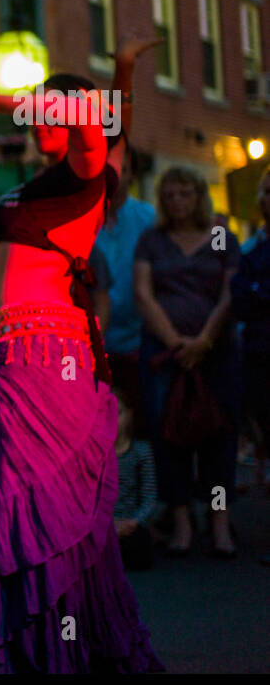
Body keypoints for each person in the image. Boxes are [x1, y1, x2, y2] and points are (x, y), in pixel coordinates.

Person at [0, 35, 165, 672]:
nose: (40, 116)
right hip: (1, 359)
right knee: (7, 502)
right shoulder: (29, 188)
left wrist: (5, 100)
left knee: (41, 502)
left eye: (51, 108)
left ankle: (56, 645)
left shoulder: (87, 173)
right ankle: (22, 643)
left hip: (47, 356)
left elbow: (95, 118)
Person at [134, 166, 241, 558]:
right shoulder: (152, 239)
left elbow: (232, 291)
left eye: (185, 193)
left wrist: (205, 340)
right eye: (170, 195)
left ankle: (218, 520)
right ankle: (181, 520)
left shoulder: (218, 236)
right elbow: (143, 293)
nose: (177, 202)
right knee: (169, 435)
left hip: (217, 351)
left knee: (219, 438)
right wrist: (175, 341)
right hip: (166, 352)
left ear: (199, 195)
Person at [93, 149, 156, 424]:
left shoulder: (150, 219)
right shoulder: (79, 217)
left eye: (122, 169)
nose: (114, 177)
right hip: (91, 347)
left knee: (139, 422)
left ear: (132, 175)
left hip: (139, 345)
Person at [231, 167, 270, 496]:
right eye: (267, 192)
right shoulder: (249, 250)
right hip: (257, 353)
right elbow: (240, 302)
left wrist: (259, 292)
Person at [111, 388, 158, 571]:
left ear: (129, 415)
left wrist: (134, 521)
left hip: (131, 522)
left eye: (118, 412)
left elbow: (149, 495)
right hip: (101, 524)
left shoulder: (141, 451)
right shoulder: (93, 454)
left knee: (138, 551)